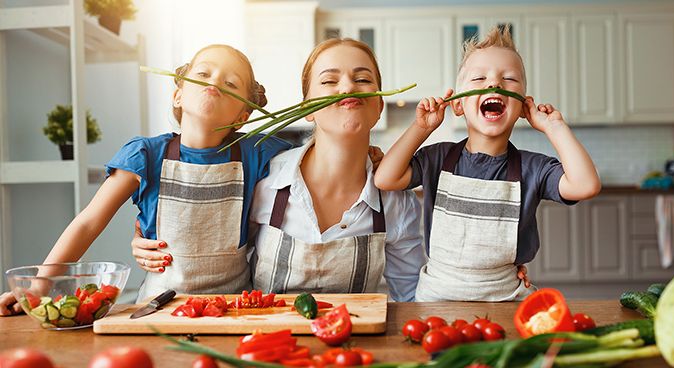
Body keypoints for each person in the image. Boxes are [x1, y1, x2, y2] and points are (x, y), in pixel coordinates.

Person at [0, 44, 290, 314]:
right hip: (160, 306)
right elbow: (88, 222)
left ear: (243, 116)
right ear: (178, 94)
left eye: (231, 84)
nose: (214, 82)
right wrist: (39, 285)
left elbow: (315, 159)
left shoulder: (259, 152)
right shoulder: (145, 155)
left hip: (233, 309)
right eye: (203, 73)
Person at [133, 38, 427, 302]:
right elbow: (209, 237)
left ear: (378, 106)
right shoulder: (265, 175)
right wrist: (146, 237)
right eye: (329, 81)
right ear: (307, 108)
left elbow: (412, 300)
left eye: (362, 78)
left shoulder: (397, 204)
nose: (347, 87)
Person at [374, 26, 601, 302]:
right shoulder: (438, 158)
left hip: (506, 300)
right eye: (479, 77)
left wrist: (554, 127)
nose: (494, 84)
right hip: (436, 299)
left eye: (509, 78)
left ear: (522, 108)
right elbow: (385, 178)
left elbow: (585, 185)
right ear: (458, 105)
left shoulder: (534, 168)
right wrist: (421, 129)